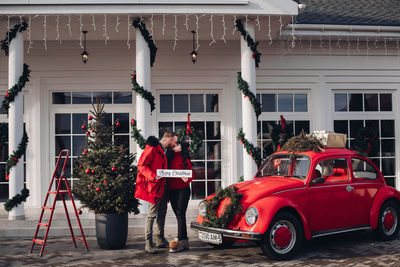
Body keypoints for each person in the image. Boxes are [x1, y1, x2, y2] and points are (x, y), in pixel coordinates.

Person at [134, 130, 178, 254]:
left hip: (163, 187)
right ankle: (148, 243)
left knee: (162, 212)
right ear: (169, 140)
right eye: (174, 142)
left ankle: (160, 239)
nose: (174, 144)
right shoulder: (152, 148)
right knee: (152, 214)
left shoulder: (164, 150)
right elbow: (141, 165)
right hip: (154, 187)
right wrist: (153, 176)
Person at [166, 142, 193, 253]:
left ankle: (180, 241)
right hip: (172, 190)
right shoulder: (168, 158)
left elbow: (191, 173)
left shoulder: (184, 158)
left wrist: (187, 178)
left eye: (178, 145)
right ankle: (184, 240)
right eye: (174, 145)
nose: (176, 146)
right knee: (178, 214)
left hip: (183, 189)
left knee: (181, 213)